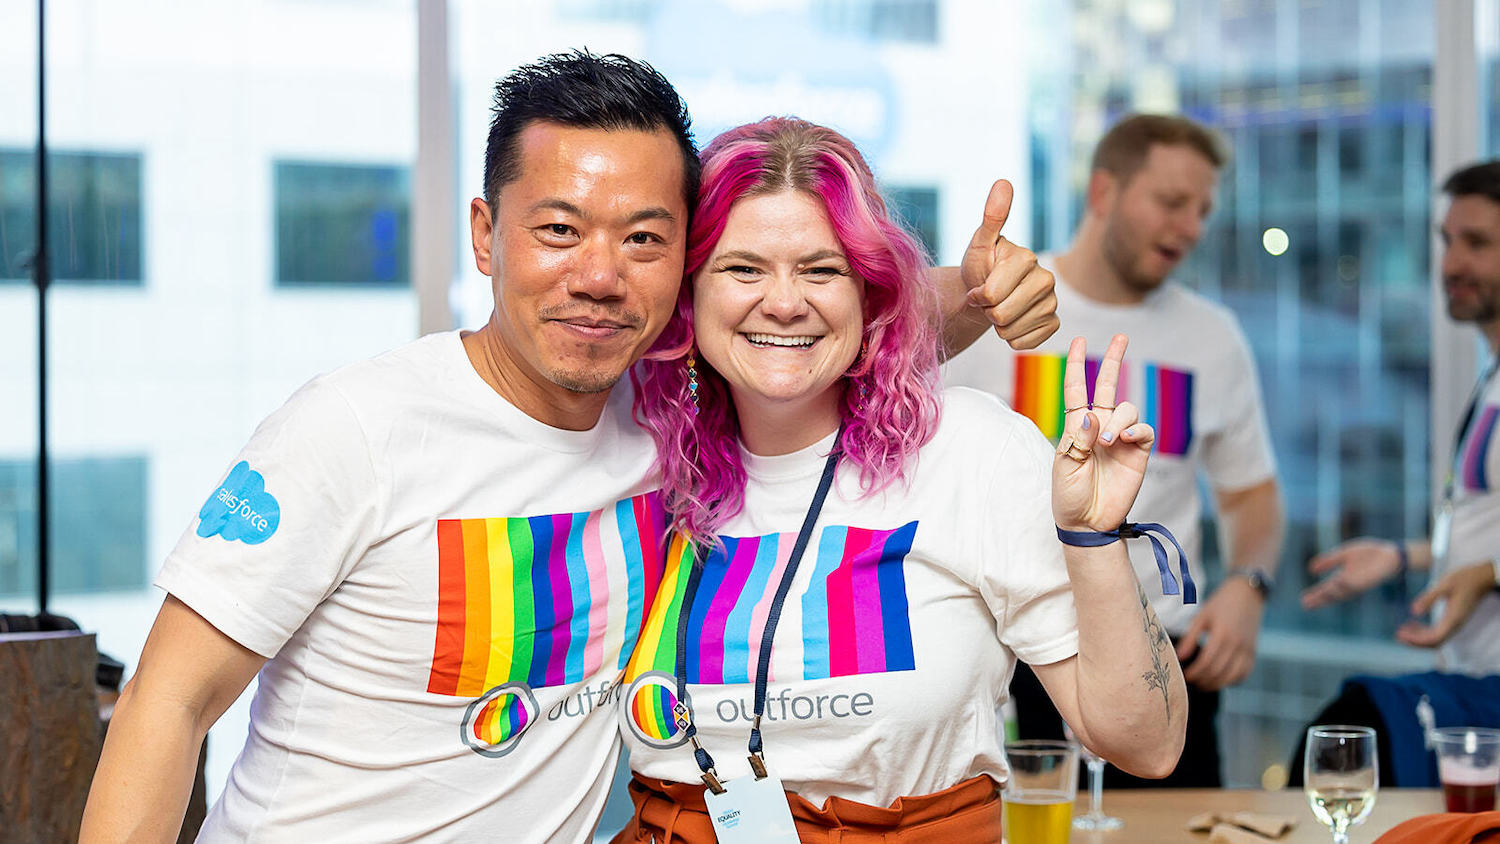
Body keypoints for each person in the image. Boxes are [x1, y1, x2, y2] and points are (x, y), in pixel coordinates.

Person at [79, 54, 1060, 842]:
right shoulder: (354, 430)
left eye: (642, 238)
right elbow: (167, 703)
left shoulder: (667, 399)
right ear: (484, 234)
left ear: (683, 264)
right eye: (558, 228)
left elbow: (819, 323)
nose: (598, 275)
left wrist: (974, 291)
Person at [616, 117, 1187, 843]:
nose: (785, 302)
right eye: (743, 269)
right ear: (689, 294)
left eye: (822, 271)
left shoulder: (970, 449)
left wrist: (1095, 539)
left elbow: (1147, 744)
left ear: (870, 293)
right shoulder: (635, 456)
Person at [943, 113, 1285, 787]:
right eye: (1171, 202)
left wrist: (1248, 586)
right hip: (1017, 658)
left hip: (1160, 657)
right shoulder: (1007, 310)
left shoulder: (1213, 338)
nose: (1190, 226)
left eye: (1203, 211)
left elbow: (1253, 494)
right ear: (1103, 192)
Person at [1302, 161, 1500, 675]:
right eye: (1448, 241)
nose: (1452, 264)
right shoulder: (1491, 380)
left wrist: (1487, 574)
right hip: (1472, 684)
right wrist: (1402, 555)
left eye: (1476, 244)